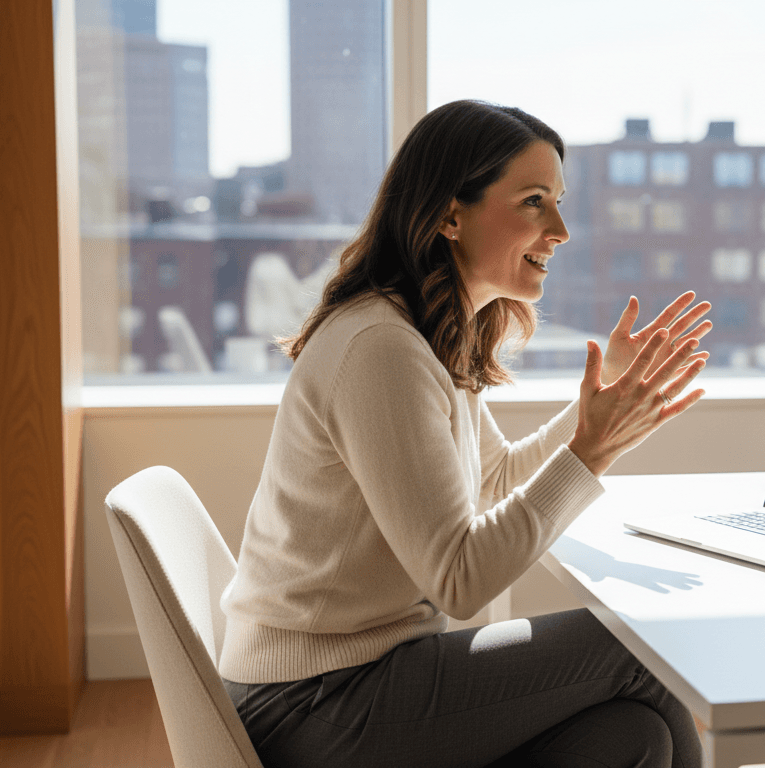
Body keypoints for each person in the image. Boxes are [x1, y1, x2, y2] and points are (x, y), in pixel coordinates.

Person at [219, 99, 713, 768]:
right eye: (534, 202)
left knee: (633, 736)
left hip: (364, 678)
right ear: (451, 215)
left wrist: (599, 416)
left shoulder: (428, 334)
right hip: (312, 702)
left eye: (559, 202)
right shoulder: (381, 349)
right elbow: (459, 579)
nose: (561, 230)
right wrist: (590, 449)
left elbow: (493, 480)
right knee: (637, 650)